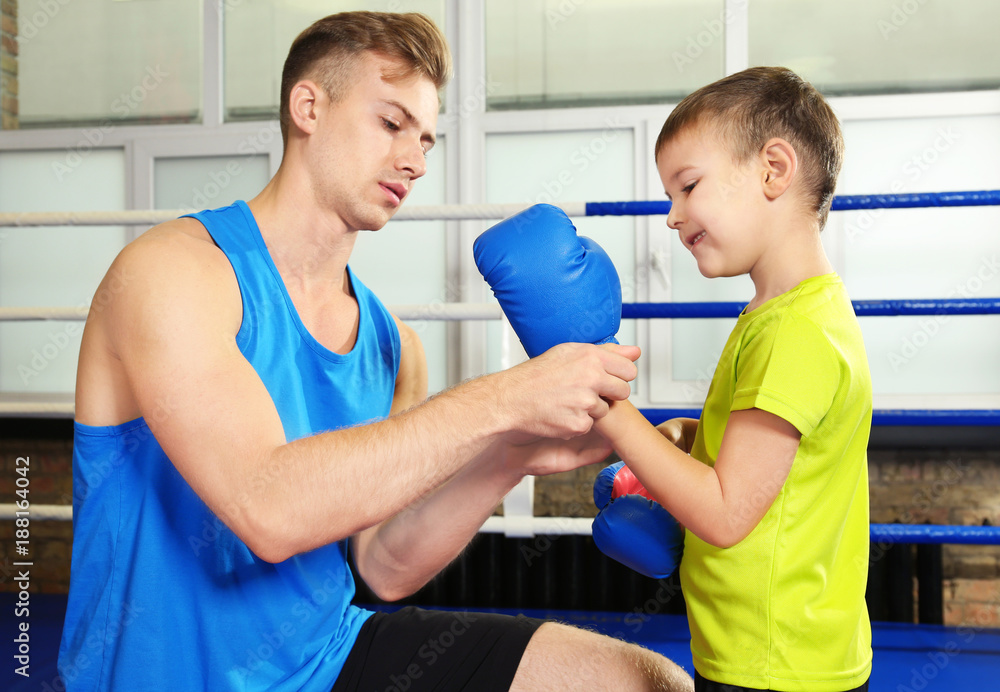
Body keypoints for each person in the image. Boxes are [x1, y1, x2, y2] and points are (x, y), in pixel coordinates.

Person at [57, 10, 694, 692]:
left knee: (646, 681)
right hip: (160, 678)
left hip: (325, 658)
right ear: (309, 106)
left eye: (425, 139)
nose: (415, 161)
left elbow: (387, 565)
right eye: (391, 123)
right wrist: (506, 397)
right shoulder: (175, 273)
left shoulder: (390, 341)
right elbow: (266, 510)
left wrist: (516, 450)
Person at [589, 67, 873, 691]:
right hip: (779, 650)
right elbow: (782, 461)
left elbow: (722, 514)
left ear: (774, 169)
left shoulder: (792, 333)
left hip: (773, 664)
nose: (671, 215)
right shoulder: (789, 314)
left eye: (688, 186)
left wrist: (609, 410)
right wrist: (699, 437)